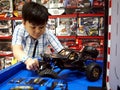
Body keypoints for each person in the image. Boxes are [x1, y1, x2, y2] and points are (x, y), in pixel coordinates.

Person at [12, 2, 64, 71]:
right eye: (33, 27)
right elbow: (16, 50)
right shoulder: (19, 29)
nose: (37, 31)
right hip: (22, 67)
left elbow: (61, 51)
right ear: (24, 23)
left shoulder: (47, 33)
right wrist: (27, 60)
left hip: (39, 68)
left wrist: (71, 56)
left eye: (41, 27)